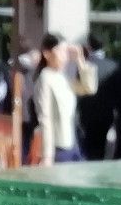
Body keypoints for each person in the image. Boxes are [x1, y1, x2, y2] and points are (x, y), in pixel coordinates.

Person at [33, 33, 98, 165]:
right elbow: (45, 118)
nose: (64, 56)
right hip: (58, 146)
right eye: (60, 51)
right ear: (46, 54)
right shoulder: (45, 78)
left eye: (66, 51)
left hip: (73, 142)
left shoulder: (63, 77)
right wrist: (47, 155)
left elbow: (89, 88)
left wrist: (80, 60)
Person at [77, 40, 119, 159]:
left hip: (86, 114)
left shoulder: (83, 66)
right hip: (106, 114)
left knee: (88, 147)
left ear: (89, 48)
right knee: (100, 147)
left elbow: (79, 91)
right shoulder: (113, 66)